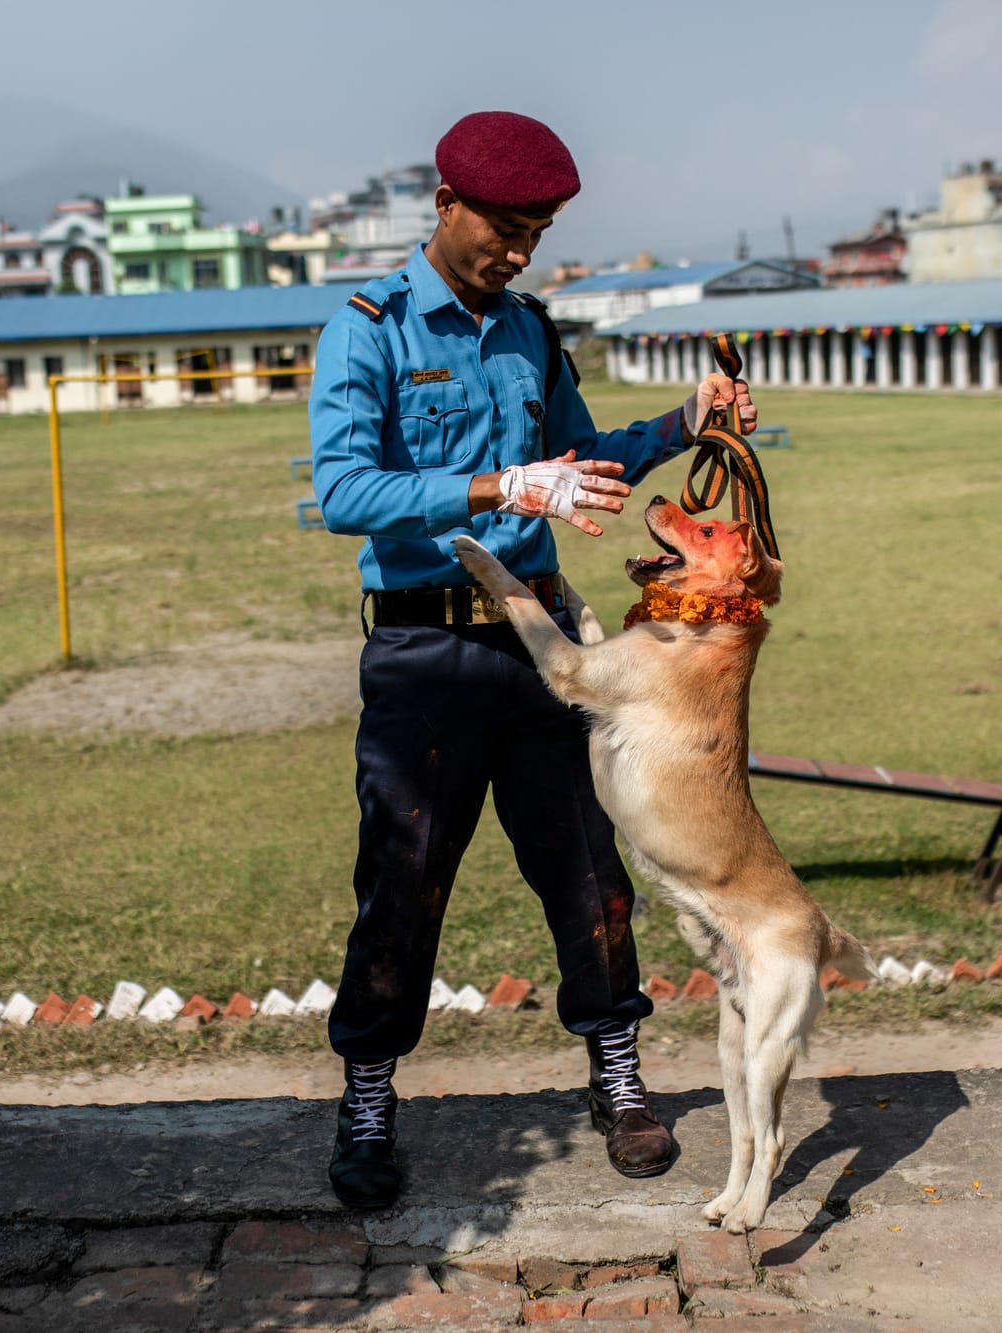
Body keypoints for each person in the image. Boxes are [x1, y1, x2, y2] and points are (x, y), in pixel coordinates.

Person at [307, 110, 756, 1210]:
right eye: (503, 227)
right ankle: (368, 1094)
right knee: (401, 884)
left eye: (537, 230)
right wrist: (505, 486)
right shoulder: (367, 328)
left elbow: (582, 457)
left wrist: (680, 423)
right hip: (422, 651)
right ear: (445, 204)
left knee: (588, 874)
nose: (517, 250)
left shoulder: (529, 330)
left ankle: (617, 1074)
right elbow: (342, 493)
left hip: (544, 647)